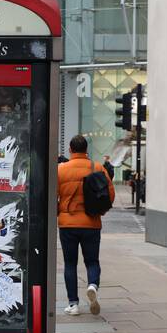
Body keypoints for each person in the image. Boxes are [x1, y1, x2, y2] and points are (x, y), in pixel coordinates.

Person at [57, 134, 115, 316]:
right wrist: (99, 212)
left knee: (70, 263)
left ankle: (73, 304)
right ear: (86, 150)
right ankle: (92, 285)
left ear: (70, 150)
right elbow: (110, 195)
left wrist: (60, 210)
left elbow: (52, 196)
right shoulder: (97, 167)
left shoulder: (61, 170)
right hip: (91, 223)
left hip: (67, 224)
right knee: (92, 261)